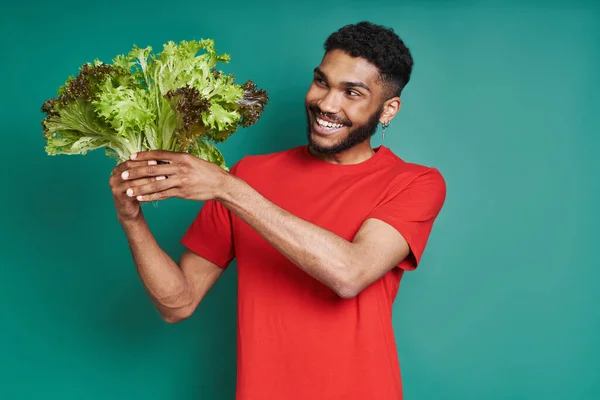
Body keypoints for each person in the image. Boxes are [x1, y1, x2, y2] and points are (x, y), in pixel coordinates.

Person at [109, 21, 446, 400]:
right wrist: (131, 219)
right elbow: (179, 303)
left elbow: (350, 273)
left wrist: (227, 188)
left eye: (352, 92)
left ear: (387, 110)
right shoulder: (251, 174)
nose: (326, 103)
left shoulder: (414, 183)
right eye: (322, 82)